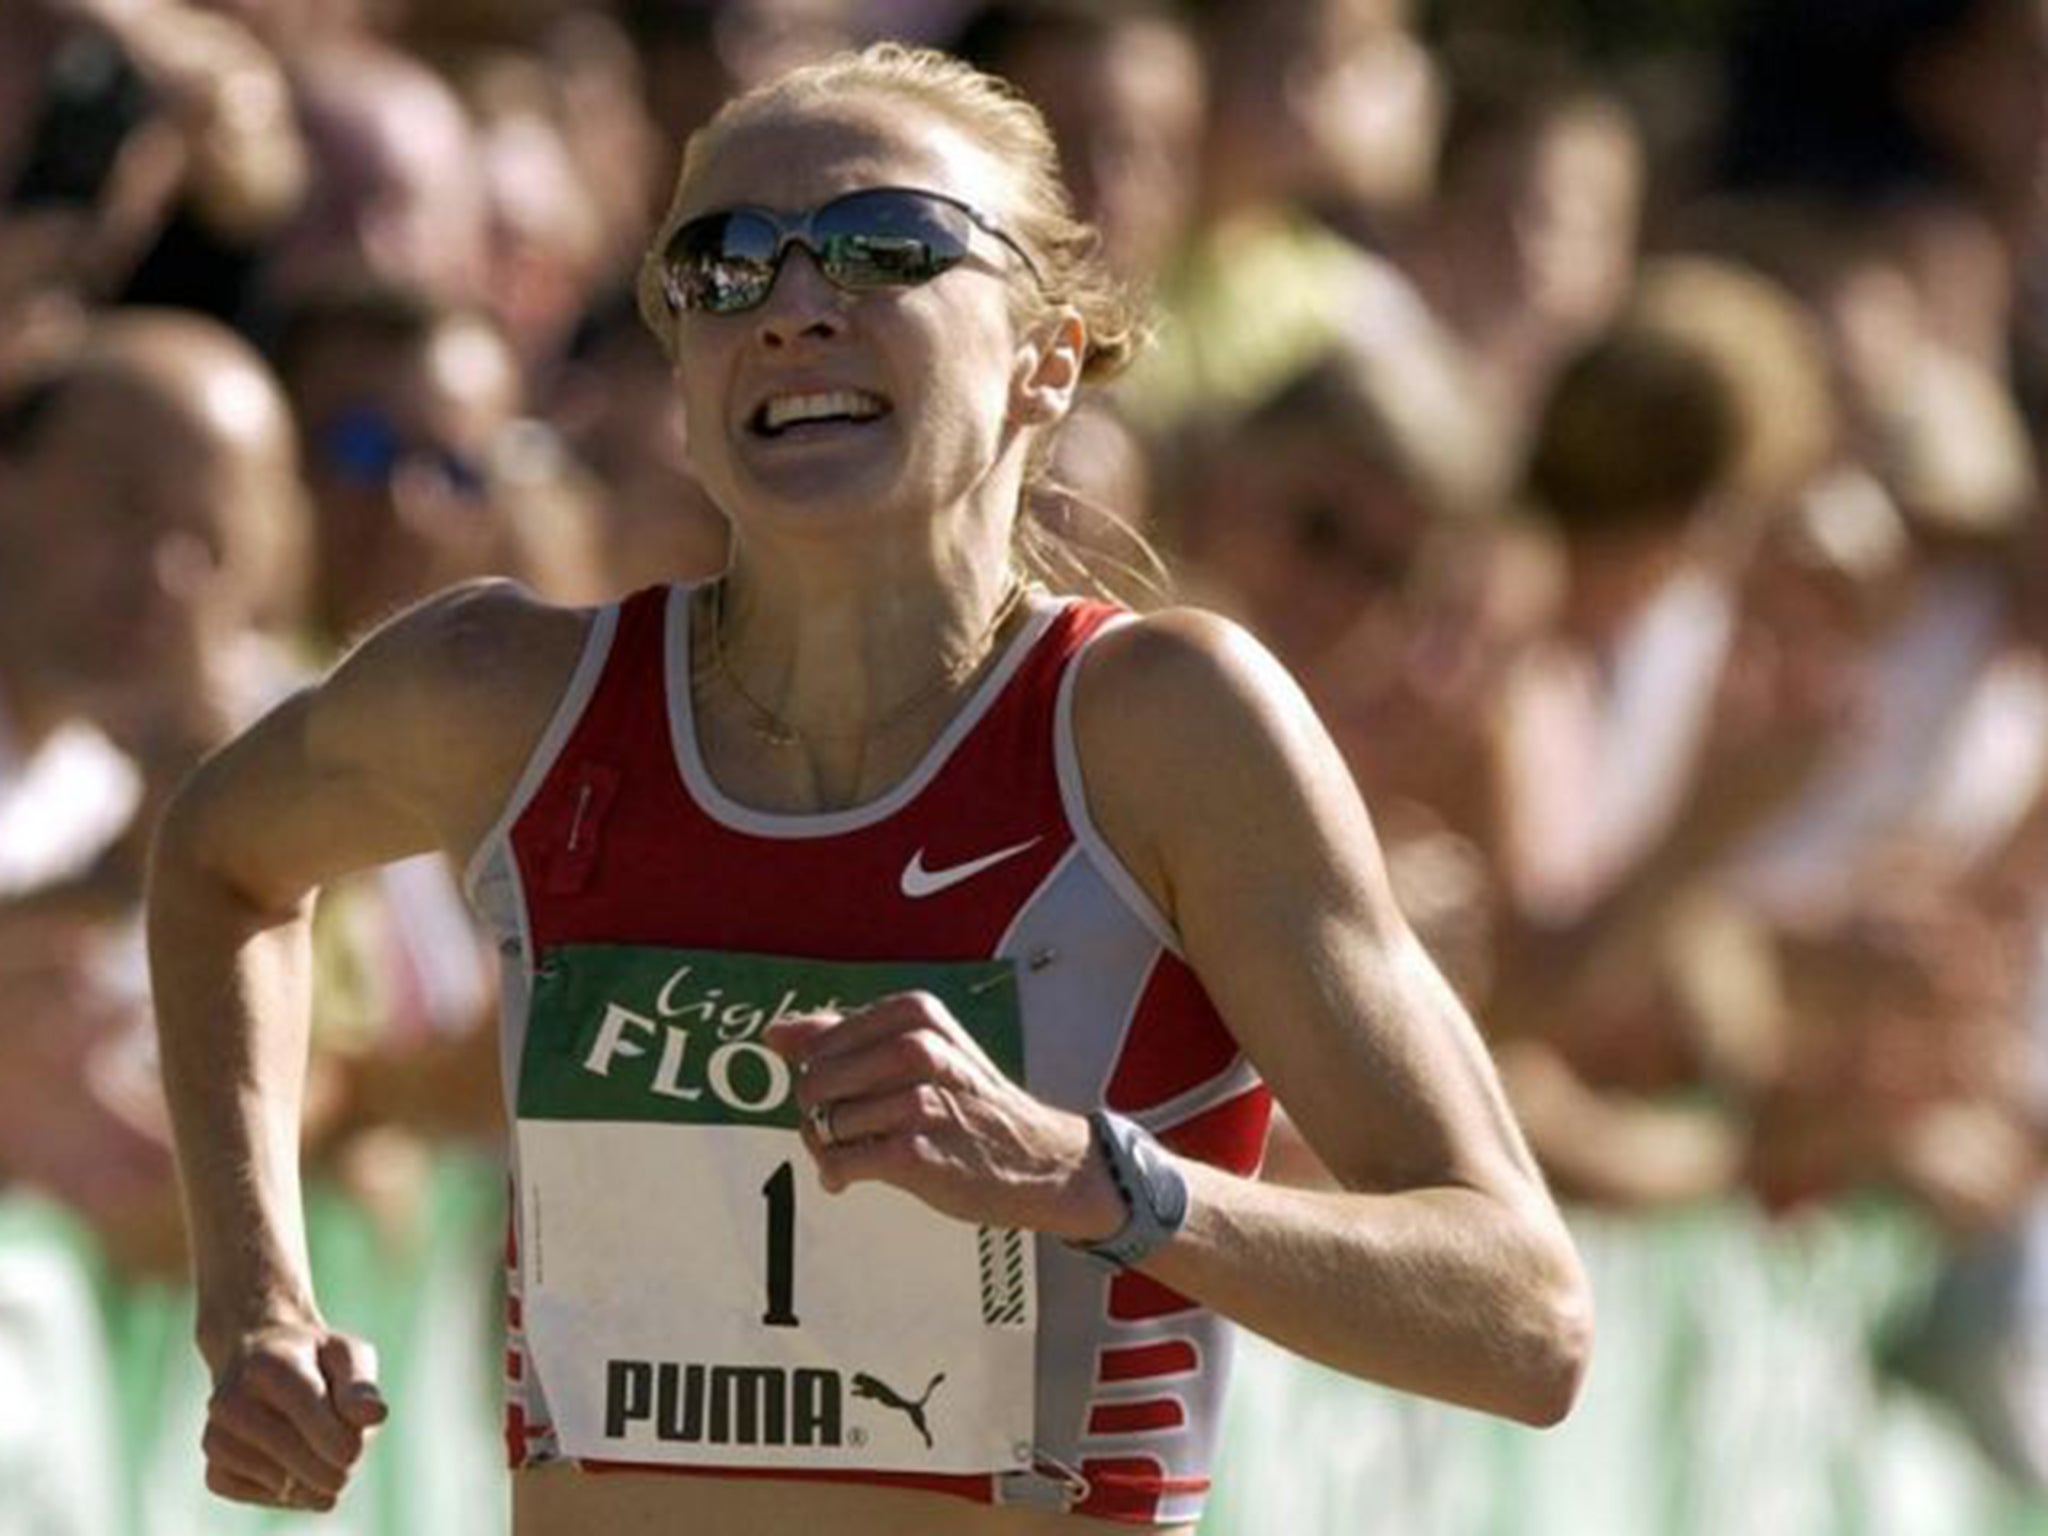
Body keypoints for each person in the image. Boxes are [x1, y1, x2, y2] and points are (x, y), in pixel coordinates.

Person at [148, 43, 1590, 1531]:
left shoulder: (1160, 728)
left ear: (1050, 355)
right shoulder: (508, 698)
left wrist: (1097, 1184)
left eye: (882, 248)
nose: (790, 310)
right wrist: (254, 1302)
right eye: (722, 269)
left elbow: (1525, 1316)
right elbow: (217, 863)